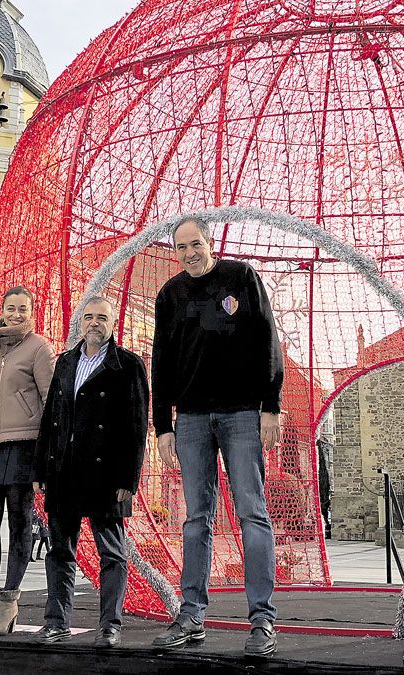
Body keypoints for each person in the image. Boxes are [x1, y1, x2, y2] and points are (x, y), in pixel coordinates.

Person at [151, 216, 284, 657]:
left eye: (196, 244)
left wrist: (271, 404)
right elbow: (162, 362)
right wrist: (163, 425)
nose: (190, 252)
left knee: (252, 512)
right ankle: (191, 614)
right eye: (181, 247)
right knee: (195, 519)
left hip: (242, 413)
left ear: (211, 243)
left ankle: (262, 620)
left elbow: (268, 337)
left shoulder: (240, 277)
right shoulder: (169, 295)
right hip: (190, 418)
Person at [32, 296, 149, 649]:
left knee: (112, 553)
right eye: (88, 317)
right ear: (80, 322)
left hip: (106, 476)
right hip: (64, 471)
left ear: (113, 324)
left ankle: (110, 625)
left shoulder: (127, 365)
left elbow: (137, 426)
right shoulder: (66, 362)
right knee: (59, 551)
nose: (94, 323)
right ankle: (56, 622)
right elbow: (51, 417)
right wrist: (41, 466)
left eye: (102, 318)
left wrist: (129, 480)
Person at [0, 286, 56, 636]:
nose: (15, 314)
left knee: (19, 523)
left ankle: (9, 603)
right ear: (0, 310)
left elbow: (50, 402)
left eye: (22, 308)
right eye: (10, 308)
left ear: (32, 312)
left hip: (24, 445)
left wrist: (46, 454)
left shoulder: (39, 348)